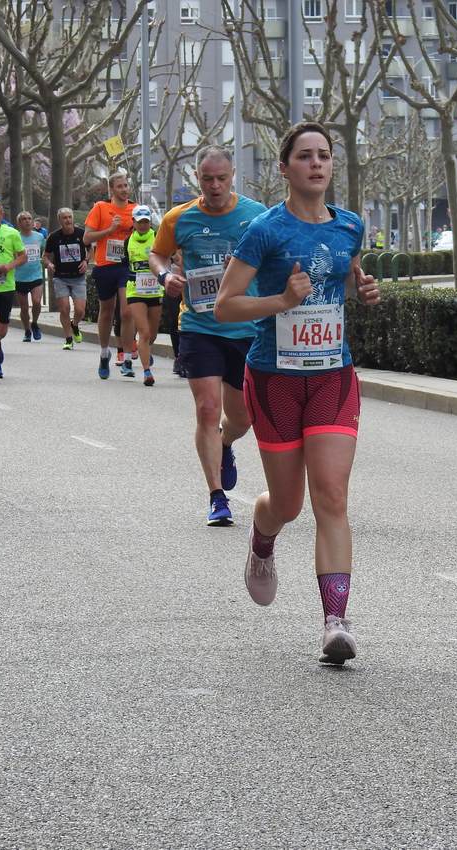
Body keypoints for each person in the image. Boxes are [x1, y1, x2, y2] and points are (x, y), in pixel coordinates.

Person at [215, 122, 381, 665]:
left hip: (333, 375)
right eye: (304, 156)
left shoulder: (350, 227)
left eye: (324, 156)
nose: (316, 164)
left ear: (333, 166)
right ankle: (263, 540)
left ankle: (336, 621)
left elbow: (347, 277)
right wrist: (282, 302)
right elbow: (225, 306)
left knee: (330, 496)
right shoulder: (265, 231)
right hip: (274, 378)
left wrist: (364, 287)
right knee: (287, 504)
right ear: (284, 168)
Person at [149, 145, 264, 526]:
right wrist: (166, 276)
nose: (214, 186)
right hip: (199, 326)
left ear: (233, 177)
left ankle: (227, 443)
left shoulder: (256, 216)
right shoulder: (179, 218)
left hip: (245, 328)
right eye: (207, 179)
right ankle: (217, 497)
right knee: (207, 409)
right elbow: (158, 254)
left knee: (242, 417)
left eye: (221, 178)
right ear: (197, 179)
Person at [84, 171, 136, 379]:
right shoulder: (101, 208)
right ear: (112, 189)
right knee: (106, 310)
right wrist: (109, 229)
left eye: (126, 186)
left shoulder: (135, 209)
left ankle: (128, 358)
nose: (124, 189)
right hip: (105, 265)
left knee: (127, 311)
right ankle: (104, 352)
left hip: (126, 265)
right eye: (120, 186)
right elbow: (87, 238)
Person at [0, 201, 26, 379]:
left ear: (2, 215)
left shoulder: (12, 233)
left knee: (2, 329)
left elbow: (23, 256)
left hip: (7, 286)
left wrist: (9, 266)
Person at [125, 204, 161, 386]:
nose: (143, 225)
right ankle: (147, 372)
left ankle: (145, 349)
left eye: (146, 222)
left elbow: (167, 257)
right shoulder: (127, 241)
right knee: (144, 333)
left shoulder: (159, 238)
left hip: (155, 291)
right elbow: (122, 265)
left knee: (152, 335)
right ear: (133, 222)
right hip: (135, 291)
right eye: (139, 222)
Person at [45, 207, 88, 350]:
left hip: (78, 277)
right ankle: (68, 338)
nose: (68, 220)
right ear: (60, 220)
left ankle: (74, 325)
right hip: (61, 277)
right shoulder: (53, 237)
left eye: (70, 217)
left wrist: (86, 261)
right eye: (65, 218)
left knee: (80, 310)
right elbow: (45, 256)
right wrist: (50, 264)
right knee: (64, 309)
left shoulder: (81, 234)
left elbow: (91, 250)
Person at [14, 210, 46, 342]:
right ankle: (27, 330)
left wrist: (45, 261)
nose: (27, 221)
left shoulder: (39, 237)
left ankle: (35, 323)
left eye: (29, 218)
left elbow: (45, 252)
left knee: (37, 302)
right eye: (24, 219)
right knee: (24, 308)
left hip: (36, 275)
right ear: (19, 223)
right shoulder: (15, 237)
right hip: (19, 277)